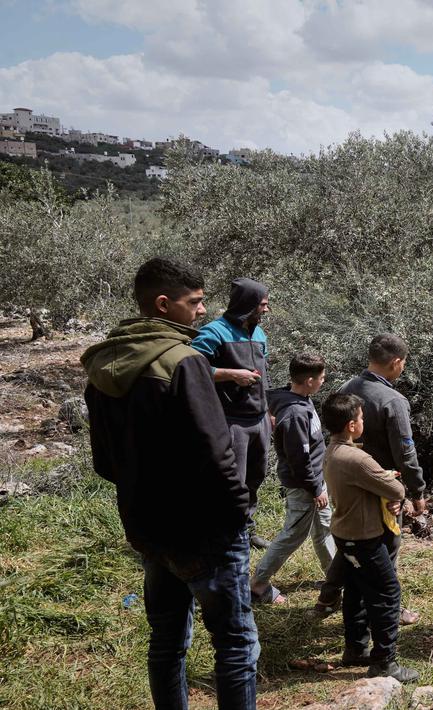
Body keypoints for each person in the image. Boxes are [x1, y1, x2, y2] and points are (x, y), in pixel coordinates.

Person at [81, 258, 258, 709]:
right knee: (235, 645)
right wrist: (238, 510)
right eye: (195, 302)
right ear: (164, 304)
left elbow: (105, 462)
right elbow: (218, 452)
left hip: (148, 528)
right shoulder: (185, 362)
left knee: (166, 642)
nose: (202, 312)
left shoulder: (105, 367)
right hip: (205, 531)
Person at [325, 334, 426, 625]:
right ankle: (388, 607)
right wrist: (416, 490)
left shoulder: (347, 387)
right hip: (382, 484)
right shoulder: (393, 401)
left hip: (345, 477)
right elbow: (406, 452)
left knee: (351, 542)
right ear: (395, 363)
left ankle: (328, 595)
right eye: (403, 363)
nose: (403, 368)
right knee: (387, 546)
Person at [320, 392, 418, 683]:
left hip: (344, 533)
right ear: (351, 425)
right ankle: (384, 662)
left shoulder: (334, 451)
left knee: (355, 591)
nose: (363, 421)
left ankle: (355, 648)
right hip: (365, 540)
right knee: (388, 594)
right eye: (361, 417)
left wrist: (381, 483)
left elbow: (369, 484)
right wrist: (390, 483)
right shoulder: (358, 459)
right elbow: (397, 491)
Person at [190, 277, 273, 549]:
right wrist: (231, 375)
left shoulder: (259, 334)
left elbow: (265, 377)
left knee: (255, 477)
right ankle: (227, 534)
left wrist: (268, 411)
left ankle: (246, 530)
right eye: (263, 304)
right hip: (231, 420)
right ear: (247, 304)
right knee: (231, 482)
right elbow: (190, 369)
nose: (266, 310)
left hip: (259, 419)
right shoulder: (214, 333)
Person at [250, 353, 333, 604]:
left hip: (315, 481)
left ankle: (337, 576)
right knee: (293, 535)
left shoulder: (300, 399)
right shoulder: (295, 413)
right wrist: (316, 487)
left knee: (324, 530)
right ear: (309, 380)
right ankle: (257, 584)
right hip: (305, 485)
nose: (323, 381)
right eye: (321, 378)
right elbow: (299, 460)